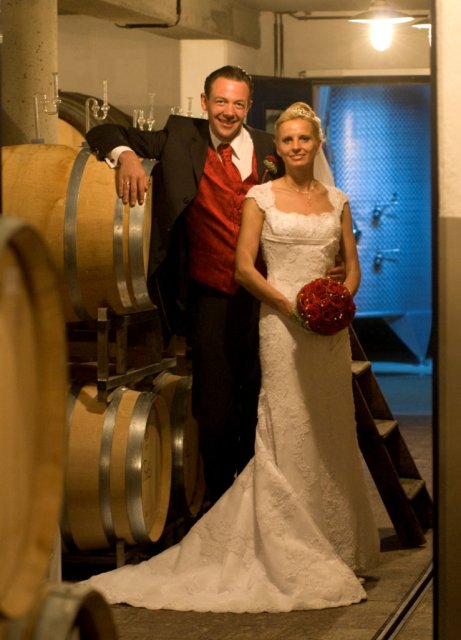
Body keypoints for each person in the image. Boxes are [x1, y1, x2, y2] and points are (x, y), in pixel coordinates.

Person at [83, 102, 380, 613]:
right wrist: (289, 306)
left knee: (332, 427)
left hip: (326, 334)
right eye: (287, 140)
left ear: (317, 144)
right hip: (281, 323)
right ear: (277, 146)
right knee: (286, 425)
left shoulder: (338, 199)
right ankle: (286, 541)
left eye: (304, 139)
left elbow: (350, 265)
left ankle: (335, 538)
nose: (296, 147)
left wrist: (339, 302)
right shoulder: (259, 197)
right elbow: (243, 268)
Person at [86, 66, 344, 505]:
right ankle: (222, 505)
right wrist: (126, 156)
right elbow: (104, 130)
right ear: (205, 103)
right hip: (210, 297)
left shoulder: (270, 145)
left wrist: (328, 257)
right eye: (221, 102)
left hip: (269, 296)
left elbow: (310, 197)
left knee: (264, 402)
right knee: (215, 409)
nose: (228, 111)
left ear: (249, 106)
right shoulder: (178, 136)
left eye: (238, 103)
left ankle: (262, 501)